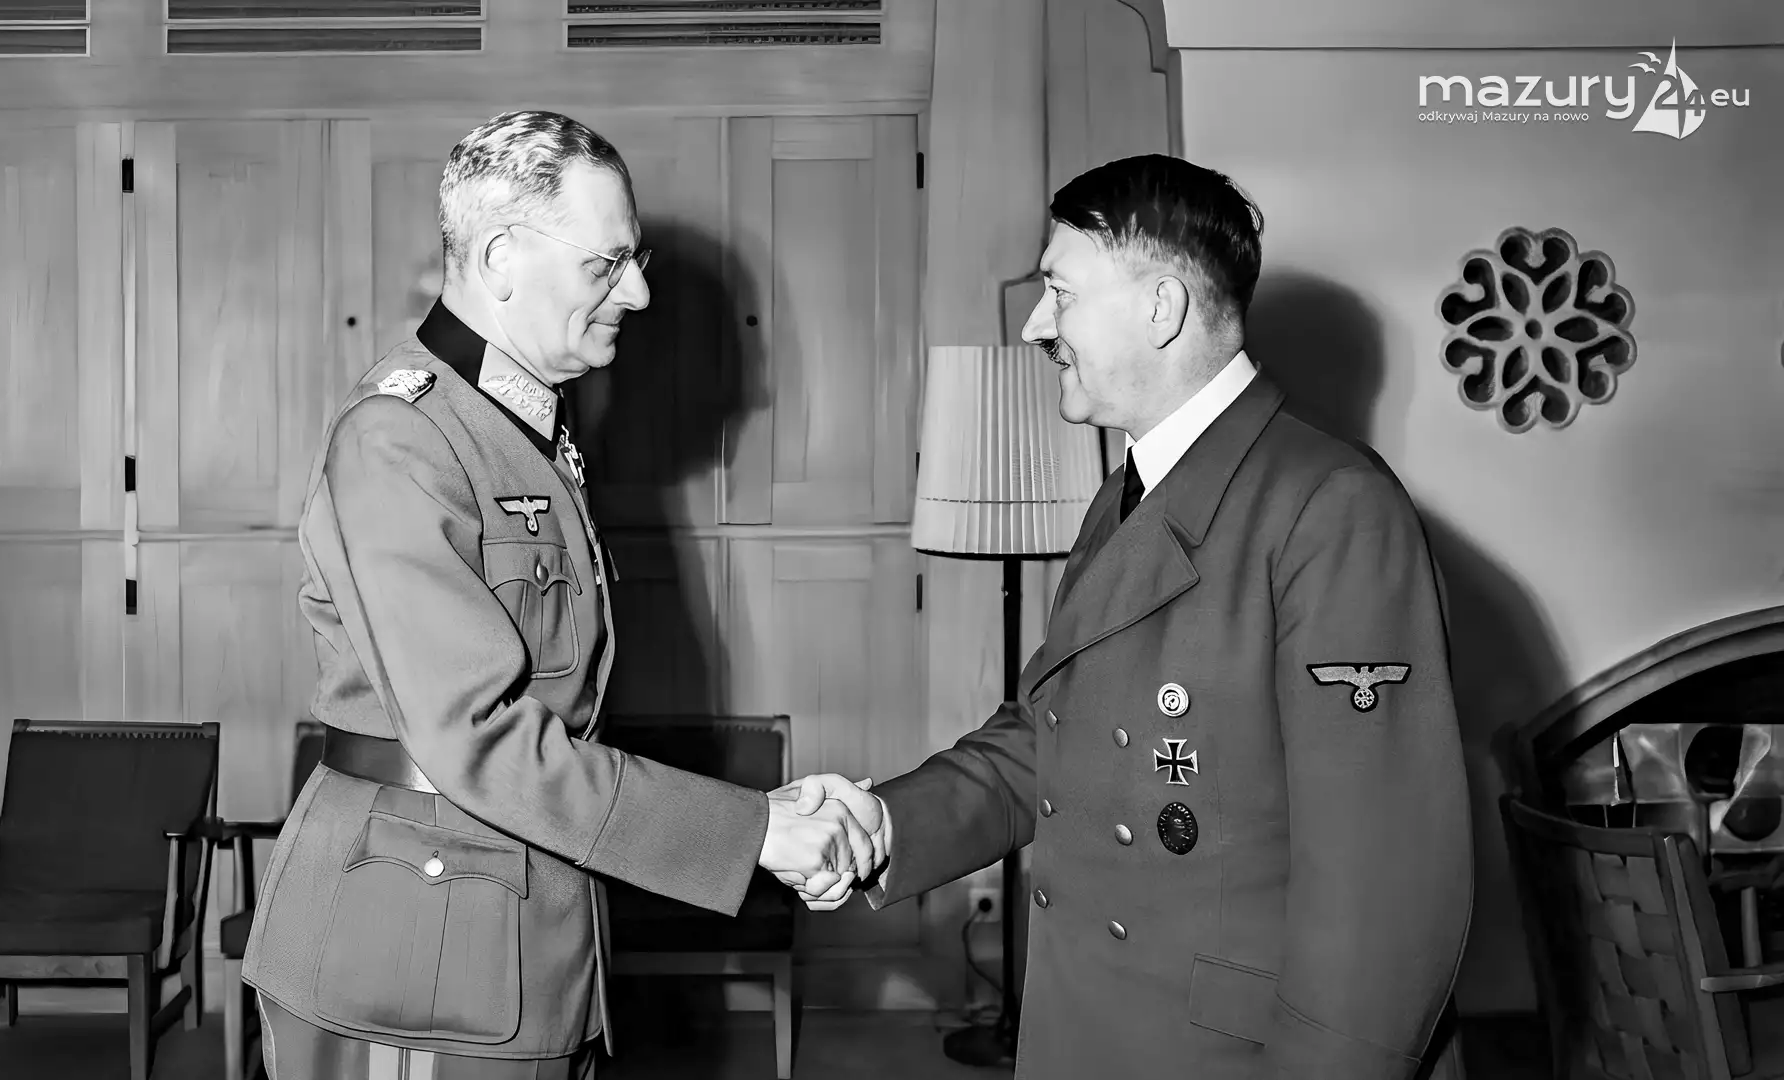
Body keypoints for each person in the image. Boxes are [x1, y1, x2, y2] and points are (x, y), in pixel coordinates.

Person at [779, 154, 1473, 1079]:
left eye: (1060, 293)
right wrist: (885, 824)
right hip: (1097, 1031)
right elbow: (1055, 737)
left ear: (1160, 309)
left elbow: (1384, 888)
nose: (1035, 324)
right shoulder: (1129, 494)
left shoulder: (1332, 506)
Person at [241, 110, 881, 1080]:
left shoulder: (520, 428)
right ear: (502, 257)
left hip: (526, 924)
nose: (640, 290)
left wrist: (758, 814)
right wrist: (754, 833)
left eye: (637, 259)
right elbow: (480, 735)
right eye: (607, 264)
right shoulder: (402, 436)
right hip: (422, 952)